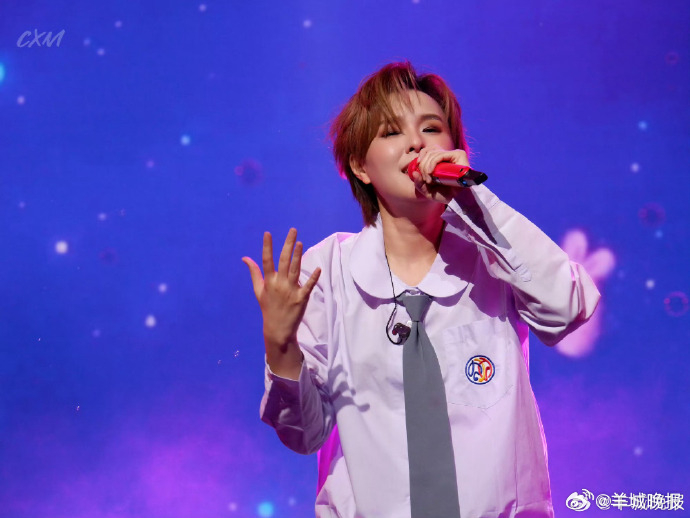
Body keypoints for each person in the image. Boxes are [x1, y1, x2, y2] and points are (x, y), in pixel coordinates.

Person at [242, 61, 600, 518]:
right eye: (392, 132)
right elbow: (304, 433)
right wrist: (280, 345)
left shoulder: (495, 255)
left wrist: (471, 200)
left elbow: (568, 308)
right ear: (360, 166)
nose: (416, 143)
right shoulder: (327, 269)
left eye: (431, 128)